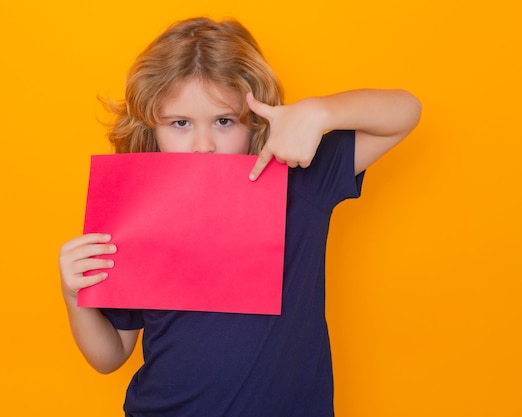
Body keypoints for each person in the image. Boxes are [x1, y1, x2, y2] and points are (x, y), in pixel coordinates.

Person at [58, 17, 421, 417]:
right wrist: (76, 297)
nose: (203, 145)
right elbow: (109, 356)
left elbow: (405, 112)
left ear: (253, 121)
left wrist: (321, 112)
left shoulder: (299, 177)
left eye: (224, 121)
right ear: (152, 127)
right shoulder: (138, 210)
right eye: (180, 123)